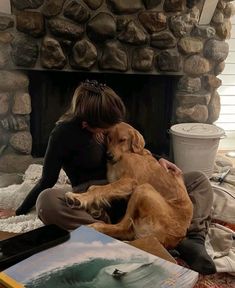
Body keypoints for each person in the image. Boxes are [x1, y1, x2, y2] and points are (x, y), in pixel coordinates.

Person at [0, 80, 216, 275]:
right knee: (47, 201)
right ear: (86, 123)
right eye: (104, 130)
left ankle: (193, 239)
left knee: (199, 180)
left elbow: (132, 149)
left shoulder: (106, 120)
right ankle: (112, 236)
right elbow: (46, 180)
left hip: (136, 187)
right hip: (94, 194)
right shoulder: (63, 135)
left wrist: (160, 159)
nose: (108, 131)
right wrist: (18, 212)